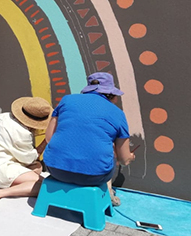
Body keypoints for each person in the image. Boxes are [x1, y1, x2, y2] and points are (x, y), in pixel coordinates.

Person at [44, 72, 136, 206]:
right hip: (93, 176)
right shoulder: (118, 113)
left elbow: (49, 138)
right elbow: (124, 159)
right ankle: (108, 192)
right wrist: (131, 157)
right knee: (108, 154)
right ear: (113, 95)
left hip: (55, 169)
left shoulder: (66, 100)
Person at [0, 97, 53, 208]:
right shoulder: (21, 133)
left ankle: (12, 185)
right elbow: (30, 158)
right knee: (44, 185)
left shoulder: (0, 117)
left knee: (37, 167)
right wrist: (46, 140)